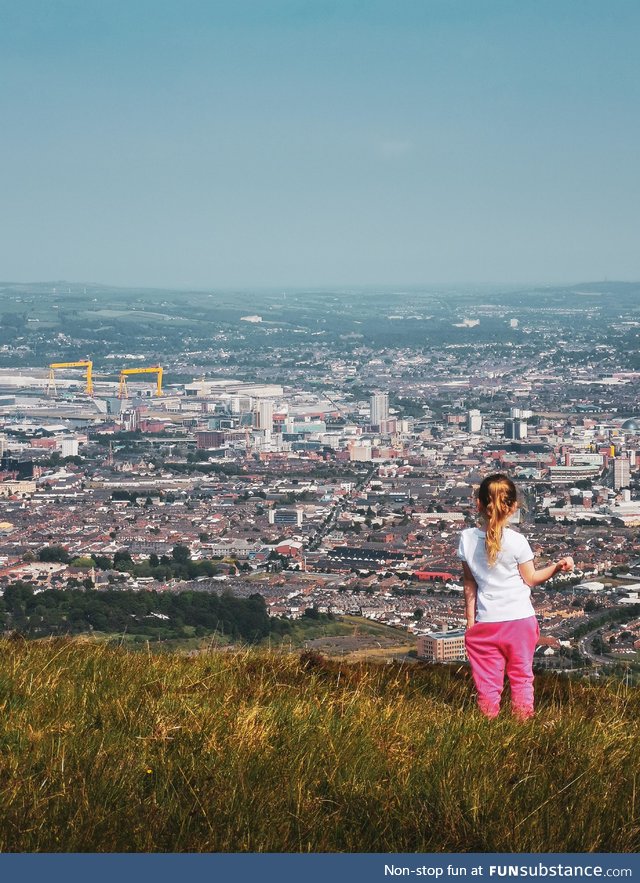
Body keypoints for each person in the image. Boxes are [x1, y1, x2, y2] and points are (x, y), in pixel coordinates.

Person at [458, 473, 574, 719]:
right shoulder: (518, 541)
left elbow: (469, 583)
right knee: (521, 678)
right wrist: (556, 567)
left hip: (486, 623)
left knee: (487, 684)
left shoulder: (466, 540)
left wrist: (470, 622)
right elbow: (531, 578)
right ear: (513, 507)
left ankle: (488, 731)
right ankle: (522, 730)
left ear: (478, 504)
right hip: (520, 621)